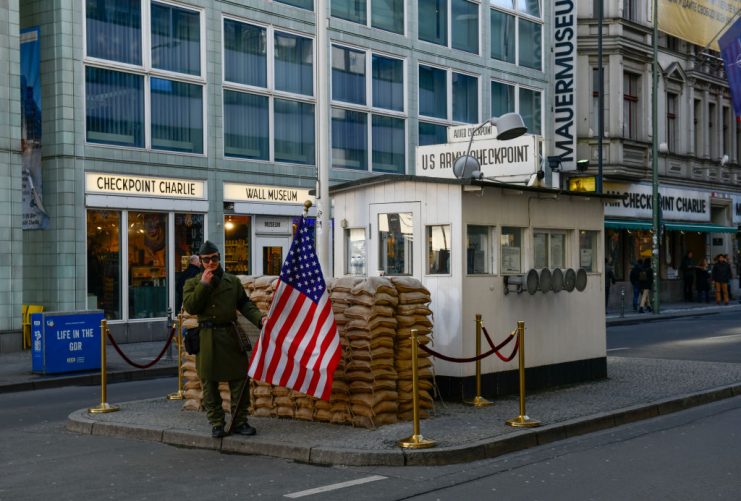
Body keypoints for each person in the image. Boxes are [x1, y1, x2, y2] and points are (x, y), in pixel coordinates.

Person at [183, 241, 265, 438]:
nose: (211, 262)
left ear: (219, 258)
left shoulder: (231, 281)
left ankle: (240, 421)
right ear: (200, 261)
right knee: (209, 383)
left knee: (239, 379)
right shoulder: (193, 283)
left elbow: (245, 304)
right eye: (206, 259)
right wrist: (204, 284)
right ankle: (217, 423)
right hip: (207, 337)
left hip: (230, 334)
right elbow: (191, 307)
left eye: (214, 258)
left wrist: (260, 319)